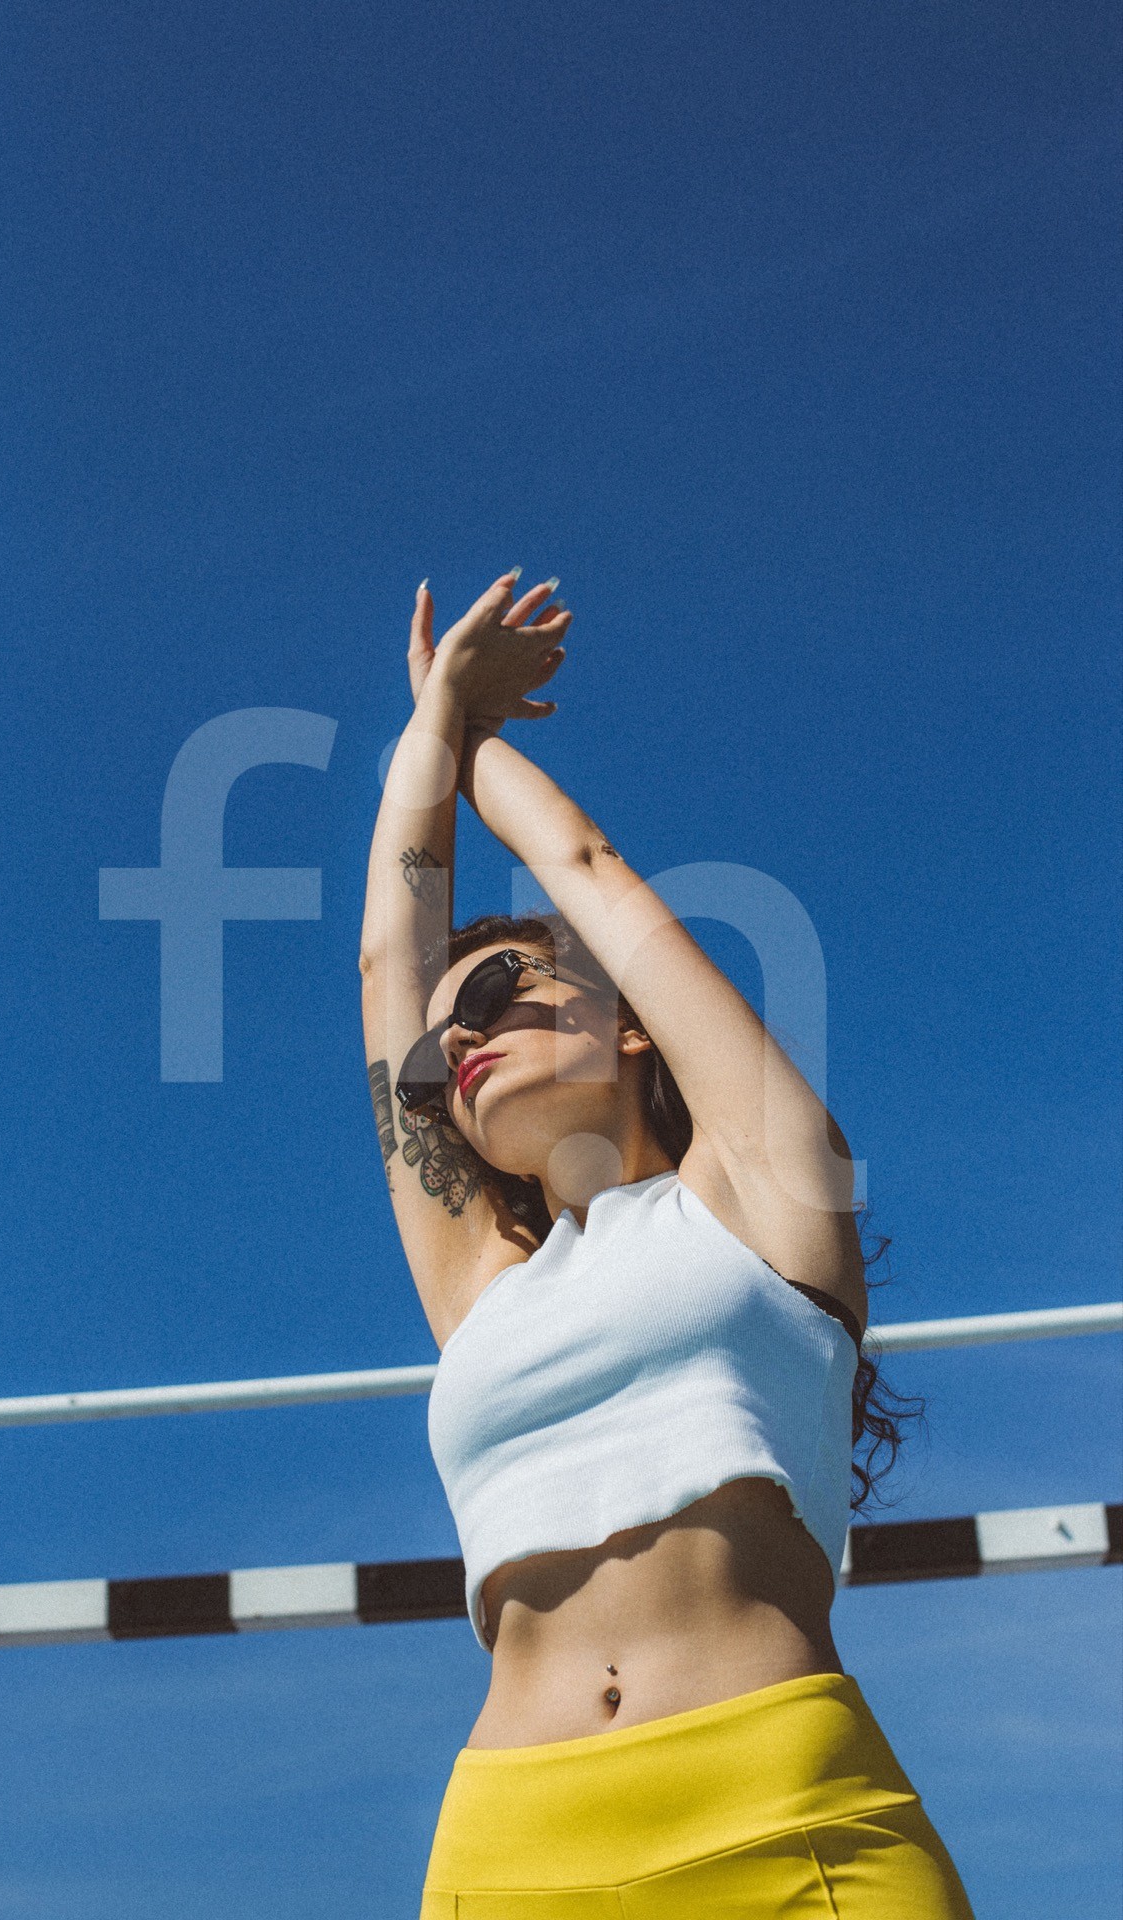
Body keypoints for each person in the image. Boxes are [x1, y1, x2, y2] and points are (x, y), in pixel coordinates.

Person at [359, 569, 973, 1916]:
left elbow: (584, 869)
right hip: (516, 1853)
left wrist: (470, 735)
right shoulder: (482, 1289)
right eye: (452, 1029)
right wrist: (424, 740)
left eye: (514, 986)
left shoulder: (761, 1193)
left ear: (628, 1019)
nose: (466, 1032)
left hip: (789, 1813)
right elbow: (387, 986)